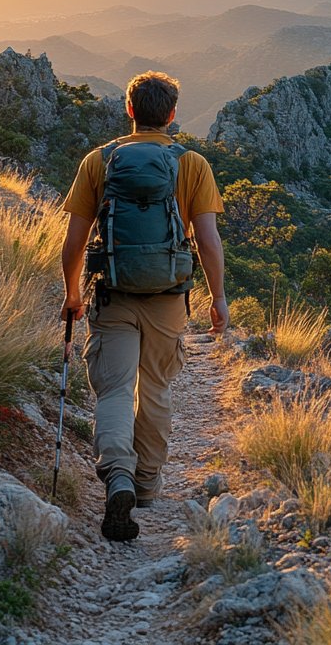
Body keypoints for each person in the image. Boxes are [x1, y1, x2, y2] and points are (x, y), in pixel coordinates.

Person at [59, 71, 230, 541]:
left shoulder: (99, 161)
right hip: (168, 297)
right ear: (172, 115)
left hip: (113, 292)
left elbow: (74, 241)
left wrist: (72, 293)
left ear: (129, 110)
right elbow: (209, 242)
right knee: (154, 387)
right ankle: (147, 483)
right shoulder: (192, 163)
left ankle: (117, 475)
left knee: (114, 389)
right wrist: (218, 298)